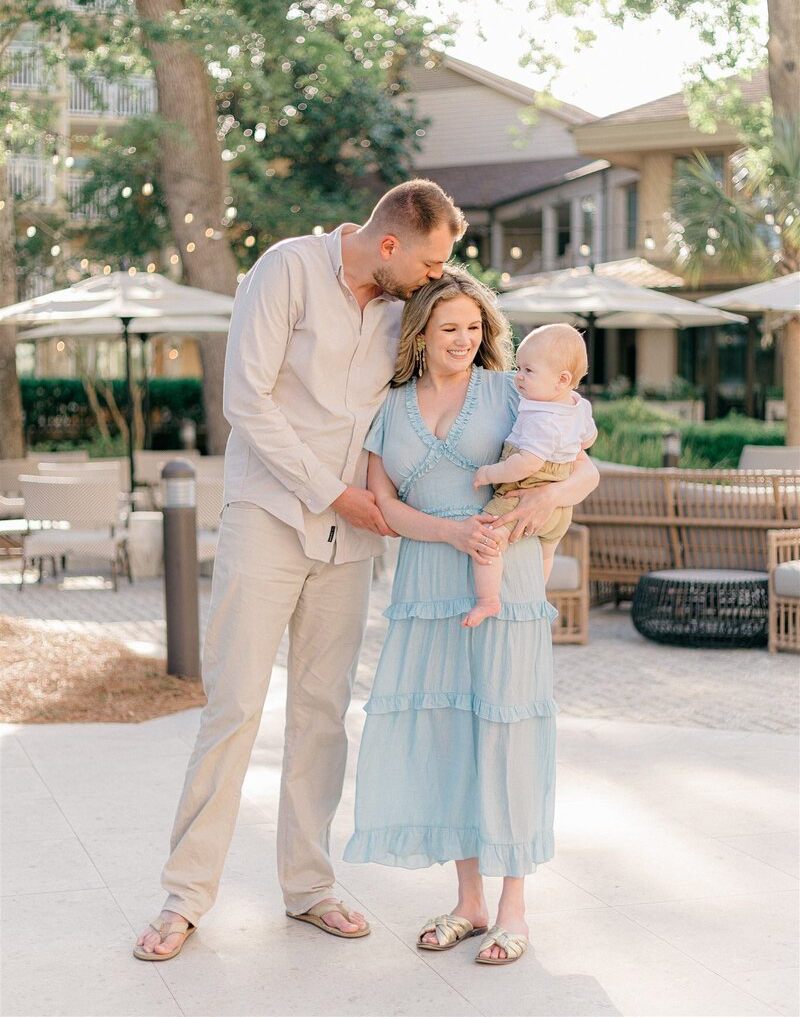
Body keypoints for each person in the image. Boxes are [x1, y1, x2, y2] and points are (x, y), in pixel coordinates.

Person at [134, 179, 469, 961]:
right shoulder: (285, 270)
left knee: (322, 714)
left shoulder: (402, 307)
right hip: (269, 519)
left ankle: (309, 887)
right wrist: (332, 494)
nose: (433, 275)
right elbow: (244, 399)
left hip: (352, 541)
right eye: (428, 260)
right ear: (389, 244)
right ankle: (186, 896)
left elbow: (452, 366)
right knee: (235, 706)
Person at [344, 267, 599, 965]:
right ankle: (469, 901)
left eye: (475, 327)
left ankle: (514, 908)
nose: (465, 339)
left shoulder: (509, 388)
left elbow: (583, 467)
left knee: (507, 731)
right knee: (450, 734)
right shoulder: (389, 406)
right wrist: (449, 533)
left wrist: (548, 502)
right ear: (421, 333)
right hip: (428, 581)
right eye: (450, 327)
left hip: (505, 577)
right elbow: (382, 504)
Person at [464, 323, 597, 627]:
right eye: (519, 367)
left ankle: (487, 599)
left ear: (561, 380)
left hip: (526, 486)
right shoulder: (579, 406)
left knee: (488, 539)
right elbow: (588, 439)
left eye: (528, 371)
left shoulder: (541, 419)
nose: (519, 377)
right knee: (546, 553)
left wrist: (488, 473)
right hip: (562, 507)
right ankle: (538, 594)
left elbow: (525, 465)